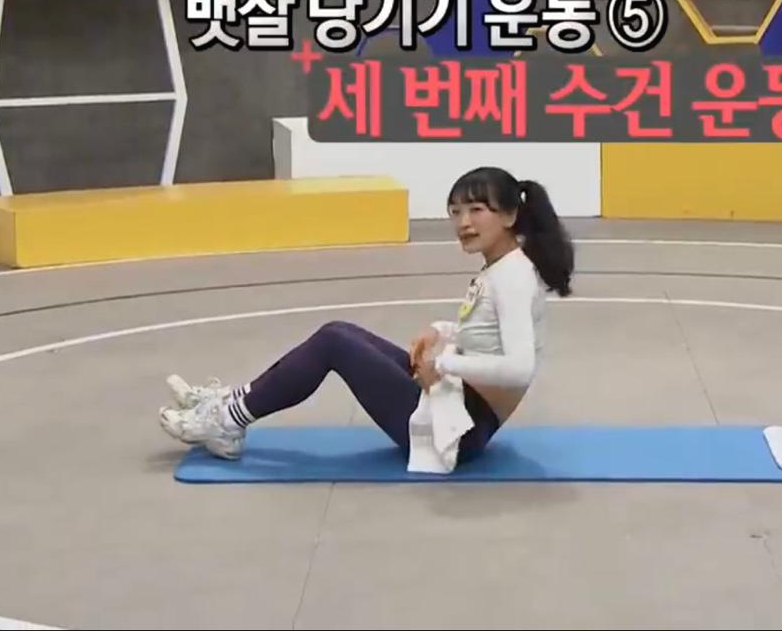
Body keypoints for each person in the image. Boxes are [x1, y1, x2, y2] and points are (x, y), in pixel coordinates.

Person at [158, 166, 575, 464]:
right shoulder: (503, 267)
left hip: (458, 431)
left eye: (476, 210)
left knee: (334, 344)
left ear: (510, 215)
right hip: (455, 405)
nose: (463, 223)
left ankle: (227, 422)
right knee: (339, 331)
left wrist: (444, 364)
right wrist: (442, 330)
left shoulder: (513, 276)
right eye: (455, 212)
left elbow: (519, 368)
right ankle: (234, 403)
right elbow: (489, 333)